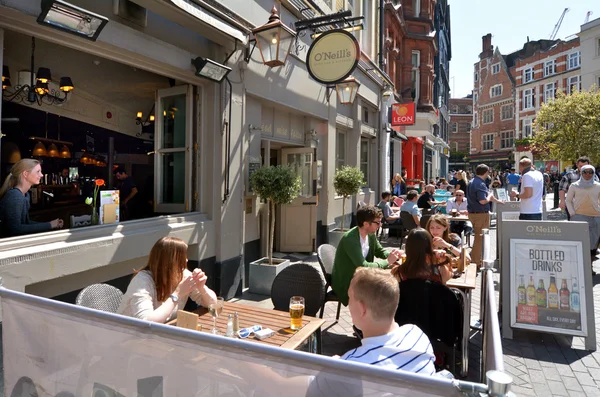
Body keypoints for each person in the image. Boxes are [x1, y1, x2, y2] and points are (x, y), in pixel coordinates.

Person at [117, 236, 217, 323]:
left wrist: (202, 287)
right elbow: (146, 322)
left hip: (159, 334)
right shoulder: (142, 281)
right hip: (126, 337)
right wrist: (177, 294)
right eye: (182, 257)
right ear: (169, 262)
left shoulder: (182, 274)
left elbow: (213, 304)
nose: (186, 260)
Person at [332, 205, 402, 306]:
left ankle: (372, 320)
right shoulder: (350, 239)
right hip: (346, 282)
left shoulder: (370, 234)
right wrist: (387, 262)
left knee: (390, 287)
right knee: (382, 292)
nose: (380, 225)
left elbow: (380, 251)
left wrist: (394, 255)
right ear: (365, 224)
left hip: (360, 277)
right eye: (377, 222)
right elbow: (363, 265)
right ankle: (366, 320)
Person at [0, 159, 63, 238]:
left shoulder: (25, 194)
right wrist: (49, 225)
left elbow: (26, 223)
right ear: (25, 174)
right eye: (38, 171)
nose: (42, 175)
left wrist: (50, 224)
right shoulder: (15, 195)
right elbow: (15, 229)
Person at [467, 164, 504, 266]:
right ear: (486, 172)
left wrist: (497, 200)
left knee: (478, 239)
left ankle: (475, 258)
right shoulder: (480, 184)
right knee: (480, 239)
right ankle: (476, 262)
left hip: (473, 213)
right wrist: (490, 197)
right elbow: (483, 201)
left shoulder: (472, 181)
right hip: (480, 214)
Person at [565, 164, 600, 274]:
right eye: (585, 172)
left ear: (594, 173)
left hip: (595, 217)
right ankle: (579, 267)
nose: (588, 174)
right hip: (579, 217)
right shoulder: (574, 186)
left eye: (590, 172)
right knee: (580, 243)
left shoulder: (598, 186)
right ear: (581, 173)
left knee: (593, 244)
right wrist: (572, 213)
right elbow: (568, 200)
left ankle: (589, 267)